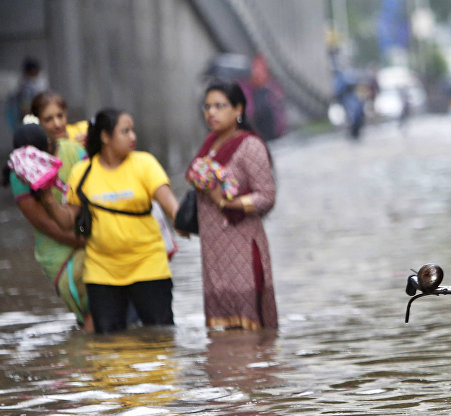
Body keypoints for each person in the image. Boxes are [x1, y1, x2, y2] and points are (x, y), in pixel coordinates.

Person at [45, 108, 180, 334]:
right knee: (107, 342)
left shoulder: (145, 163)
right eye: (125, 131)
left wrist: (182, 220)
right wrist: (47, 198)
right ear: (105, 137)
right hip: (102, 272)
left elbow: (168, 202)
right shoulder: (82, 172)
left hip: (149, 266)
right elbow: (68, 220)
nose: (133, 137)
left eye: (132, 131)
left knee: (160, 336)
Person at [185, 80, 278, 330]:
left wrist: (229, 202)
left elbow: (267, 196)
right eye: (207, 107)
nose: (211, 113)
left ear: (238, 109)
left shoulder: (251, 146)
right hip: (213, 250)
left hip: (243, 248)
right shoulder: (209, 146)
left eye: (219, 106)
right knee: (222, 338)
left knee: (249, 332)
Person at [3, 123, 90, 330]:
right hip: (59, 254)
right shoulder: (20, 175)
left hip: (87, 234)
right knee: (89, 318)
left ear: (50, 146)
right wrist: (91, 243)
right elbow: (48, 226)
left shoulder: (73, 152)